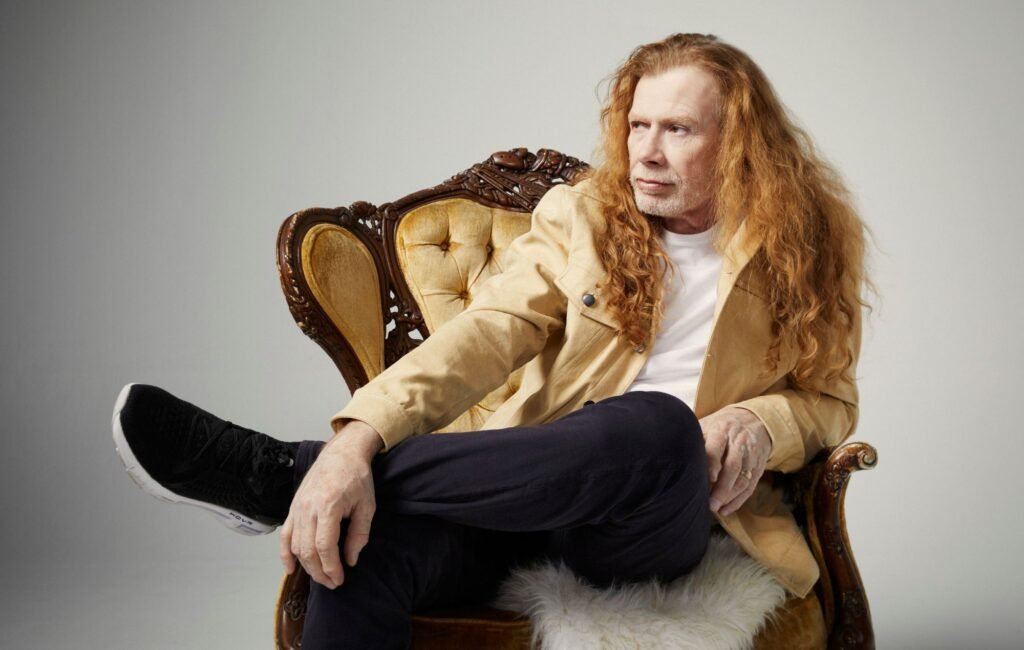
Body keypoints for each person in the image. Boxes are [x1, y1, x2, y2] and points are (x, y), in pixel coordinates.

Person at [112, 33, 867, 649]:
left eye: (678, 129)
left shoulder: (803, 247)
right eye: (638, 125)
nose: (646, 151)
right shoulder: (586, 218)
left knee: (660, 426)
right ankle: (314, 470)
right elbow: (485, 334)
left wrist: (759, 421)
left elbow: (830, 403)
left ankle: (282, 472)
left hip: (658, 520)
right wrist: (356, 442)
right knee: (360, 546)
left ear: (738, 143)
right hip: (526, 497)